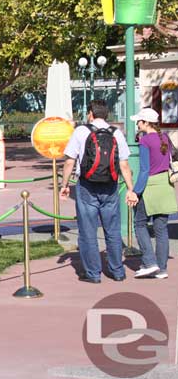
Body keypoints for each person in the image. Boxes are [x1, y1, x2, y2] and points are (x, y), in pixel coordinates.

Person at [60, 100, 138, 283]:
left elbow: (69, 161)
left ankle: (93, 274)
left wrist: (64, 185)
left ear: (90, 114)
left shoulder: (81, 131)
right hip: (110, 186)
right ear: (107, 114)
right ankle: (117, 271)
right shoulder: (116, 133)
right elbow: (124, 164)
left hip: (87, 186)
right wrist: (130, 189)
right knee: (112, 231)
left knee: (88, 232)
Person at [130, 108, 178, 279]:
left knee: (140, 223)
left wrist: (135, 192)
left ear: (145, 122)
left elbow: (144, 170)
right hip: (165, 185)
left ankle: (150, 262)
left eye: (139, 121)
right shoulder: (164, 137)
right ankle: (162, 268)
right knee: (161, 228)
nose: (137, 124)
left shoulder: (145, 141)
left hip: (149, 186)